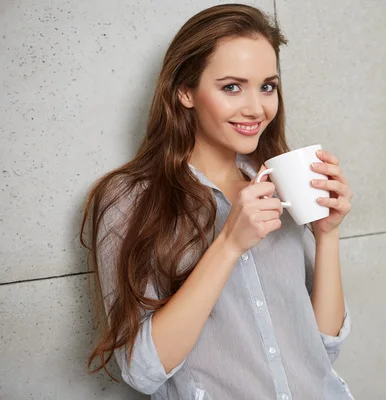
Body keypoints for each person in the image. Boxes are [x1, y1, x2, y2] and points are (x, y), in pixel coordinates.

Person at [81, 4, 354, 399]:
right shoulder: (129, 198)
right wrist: (229, 244)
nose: (256, 108)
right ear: (185, 91)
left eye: (267, 86)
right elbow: (141, 370)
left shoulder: (280, 183)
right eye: (231, 87)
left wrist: (328, 236)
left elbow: (322, 349)